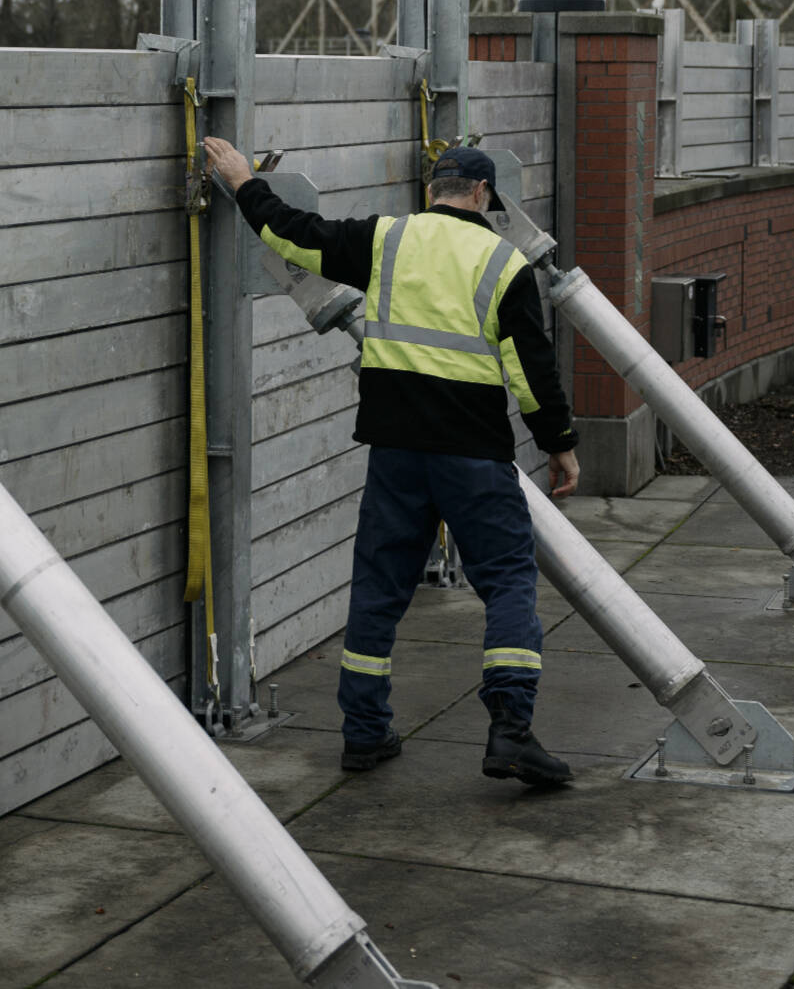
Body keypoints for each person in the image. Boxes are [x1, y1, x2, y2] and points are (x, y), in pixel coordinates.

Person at [201, 136, 579, 786]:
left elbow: (293, 236)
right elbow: (531, 370)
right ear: (484, 196)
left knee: (378, 592)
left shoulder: (387, 241)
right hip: (473, 456)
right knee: (509, 583)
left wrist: (241, 180)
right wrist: (558, 443)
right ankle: (510, 730)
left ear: (432, 191)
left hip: (396, 452)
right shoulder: (503, 261)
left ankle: (364, 732)